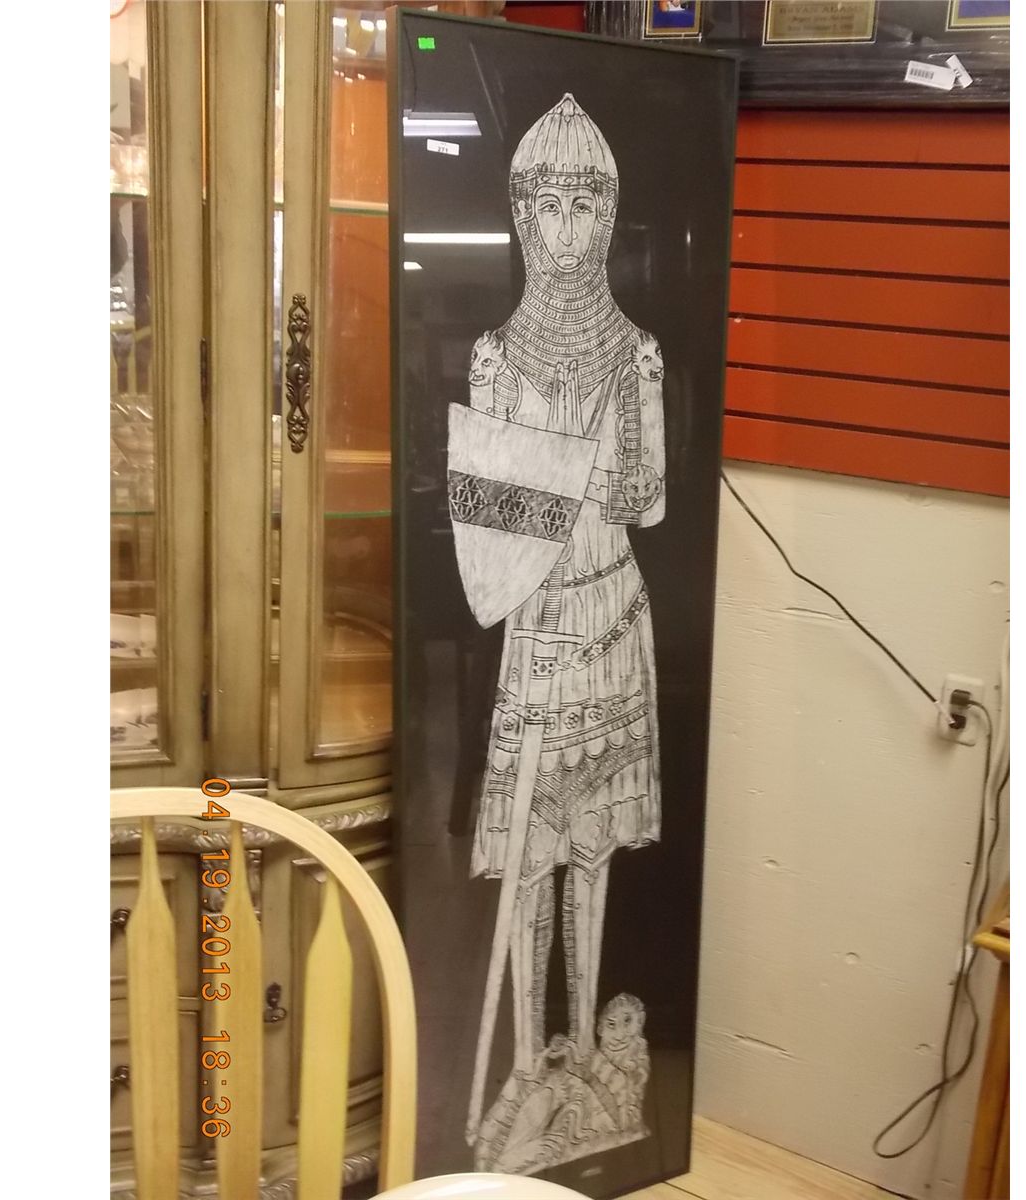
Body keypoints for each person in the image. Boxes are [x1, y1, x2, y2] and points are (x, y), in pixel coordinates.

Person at [447, 93, 666, 1174]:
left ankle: (583, 1050)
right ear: (525, 216)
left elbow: (647, 499)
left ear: (605, 215)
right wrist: (555, 477)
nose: (569, 228)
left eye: (586, 206)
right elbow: (491, 523)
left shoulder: (637, 356)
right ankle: (527, 1060)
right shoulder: (495, 357)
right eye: (551, 206)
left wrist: (603, 451)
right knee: (531, 861)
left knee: (592, 853)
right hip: (536, 621)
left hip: (611, 612)